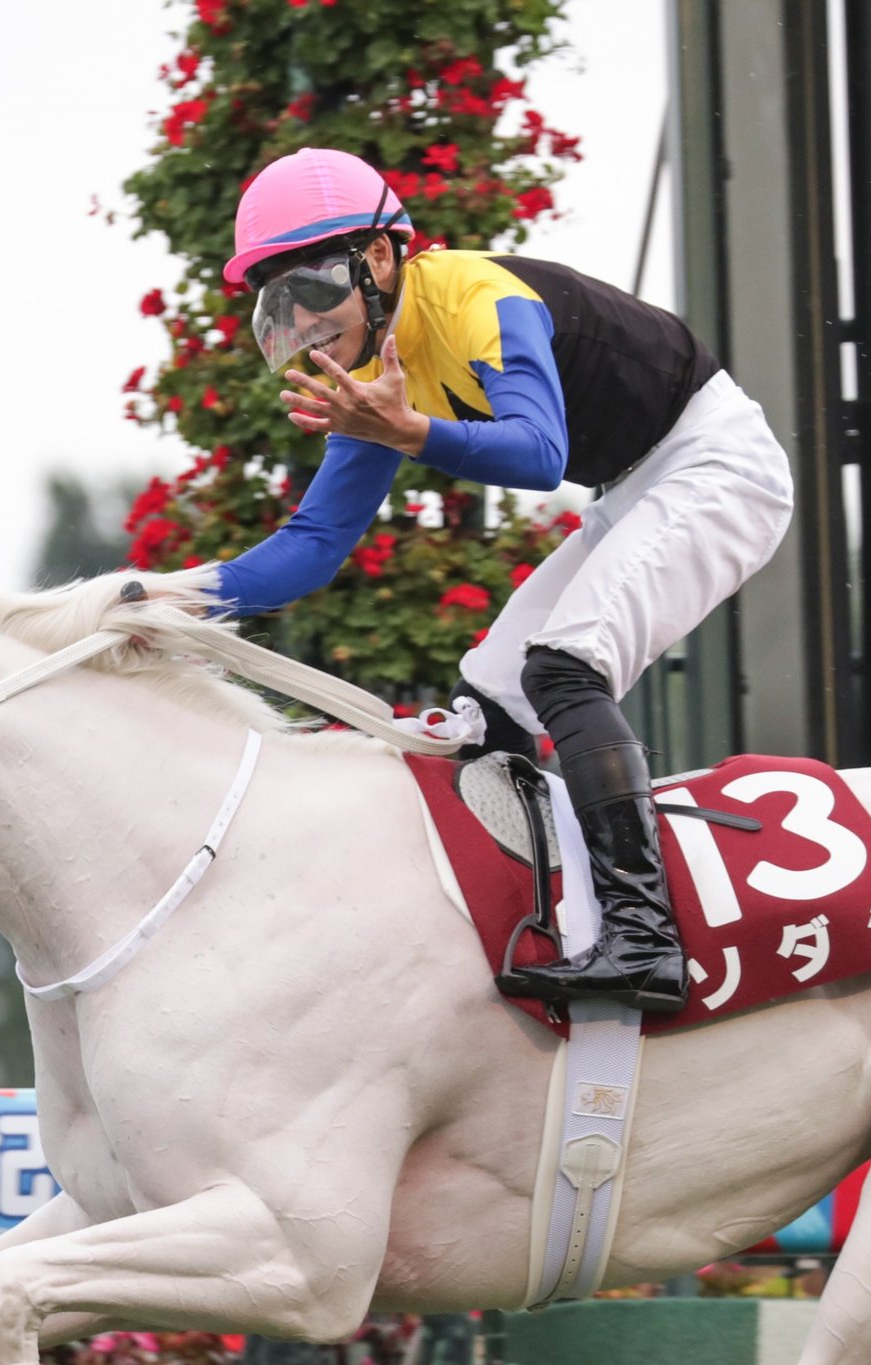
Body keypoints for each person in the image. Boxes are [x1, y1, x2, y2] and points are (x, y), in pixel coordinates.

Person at [212, 147, 793, 1014]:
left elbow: (539, 452)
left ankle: (645, 938)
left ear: (380, 258)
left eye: (312, 286)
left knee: (561, 665)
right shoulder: (373, 378)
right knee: (489, 702)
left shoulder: (480, 298)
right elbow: (314, 546)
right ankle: (535, 918)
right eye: (277, 299)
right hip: (637, 486)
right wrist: (158, 598)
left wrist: (412, 433)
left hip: (719, 467)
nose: (302, 320)